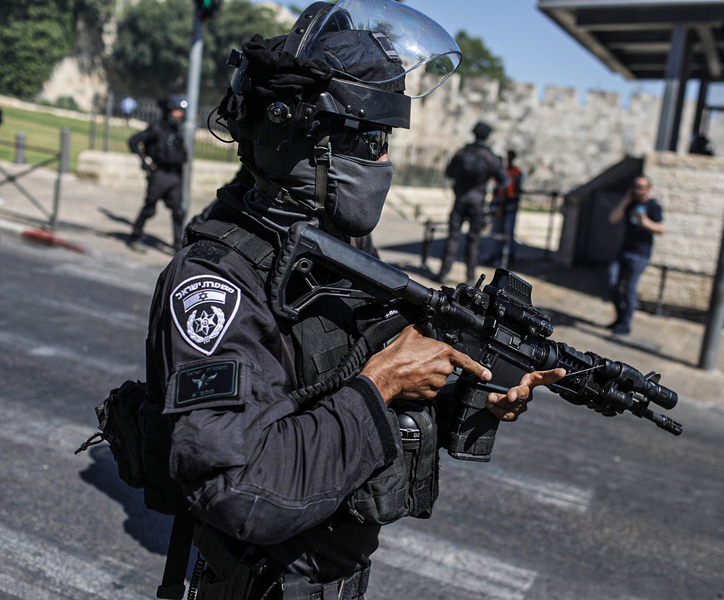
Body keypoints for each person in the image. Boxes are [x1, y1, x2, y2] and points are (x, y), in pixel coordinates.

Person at [141, 2, 565, 598]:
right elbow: (240, 489)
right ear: (305, 147)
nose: (384, 161)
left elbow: (336, 389)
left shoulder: (335, 253)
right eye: (369, 141)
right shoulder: (217, 282)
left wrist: (461, 390)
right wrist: (384, 383)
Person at [437, 121, 504, 283]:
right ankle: (470, 277)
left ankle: (443, 273)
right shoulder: (489, 156)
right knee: (474, 239)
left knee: (453, 236)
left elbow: (449, 172)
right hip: (478, 201)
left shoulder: (462, 152)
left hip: (460, 199)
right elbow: (502, 178)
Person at [127, 94, 188, 253]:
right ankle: (135, 237)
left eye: (181, 111)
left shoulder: (178, 132)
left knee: (178, 213)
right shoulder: (157, 129)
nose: (180, 114)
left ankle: (177, 246)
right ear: (168, 111)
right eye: (177, 110)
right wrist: (145, 161)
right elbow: (133, 141)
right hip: (159, 174)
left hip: (174, 176)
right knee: (149, 208)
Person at [607, 175, 664, 336]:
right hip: (624, 250)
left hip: (640, 255)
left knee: (629, 289)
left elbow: (661, 229)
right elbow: (612, 218)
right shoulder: (630, 204)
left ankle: (626, 323)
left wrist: (644, 222)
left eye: (641, 187)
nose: (637, 190)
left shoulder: (653, 207)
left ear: (648, 189)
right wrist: (625, 201)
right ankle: (620, 317)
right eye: (635, 186)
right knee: (612, 283)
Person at [486, 149, 524, 266]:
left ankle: (508, 257)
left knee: (508, 233)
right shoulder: (503, 172)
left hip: (509, 206)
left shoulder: (516, 173)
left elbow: (509, 191)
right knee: (496, 231)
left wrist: (502, 206)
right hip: (500, 205)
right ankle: (495, 255)